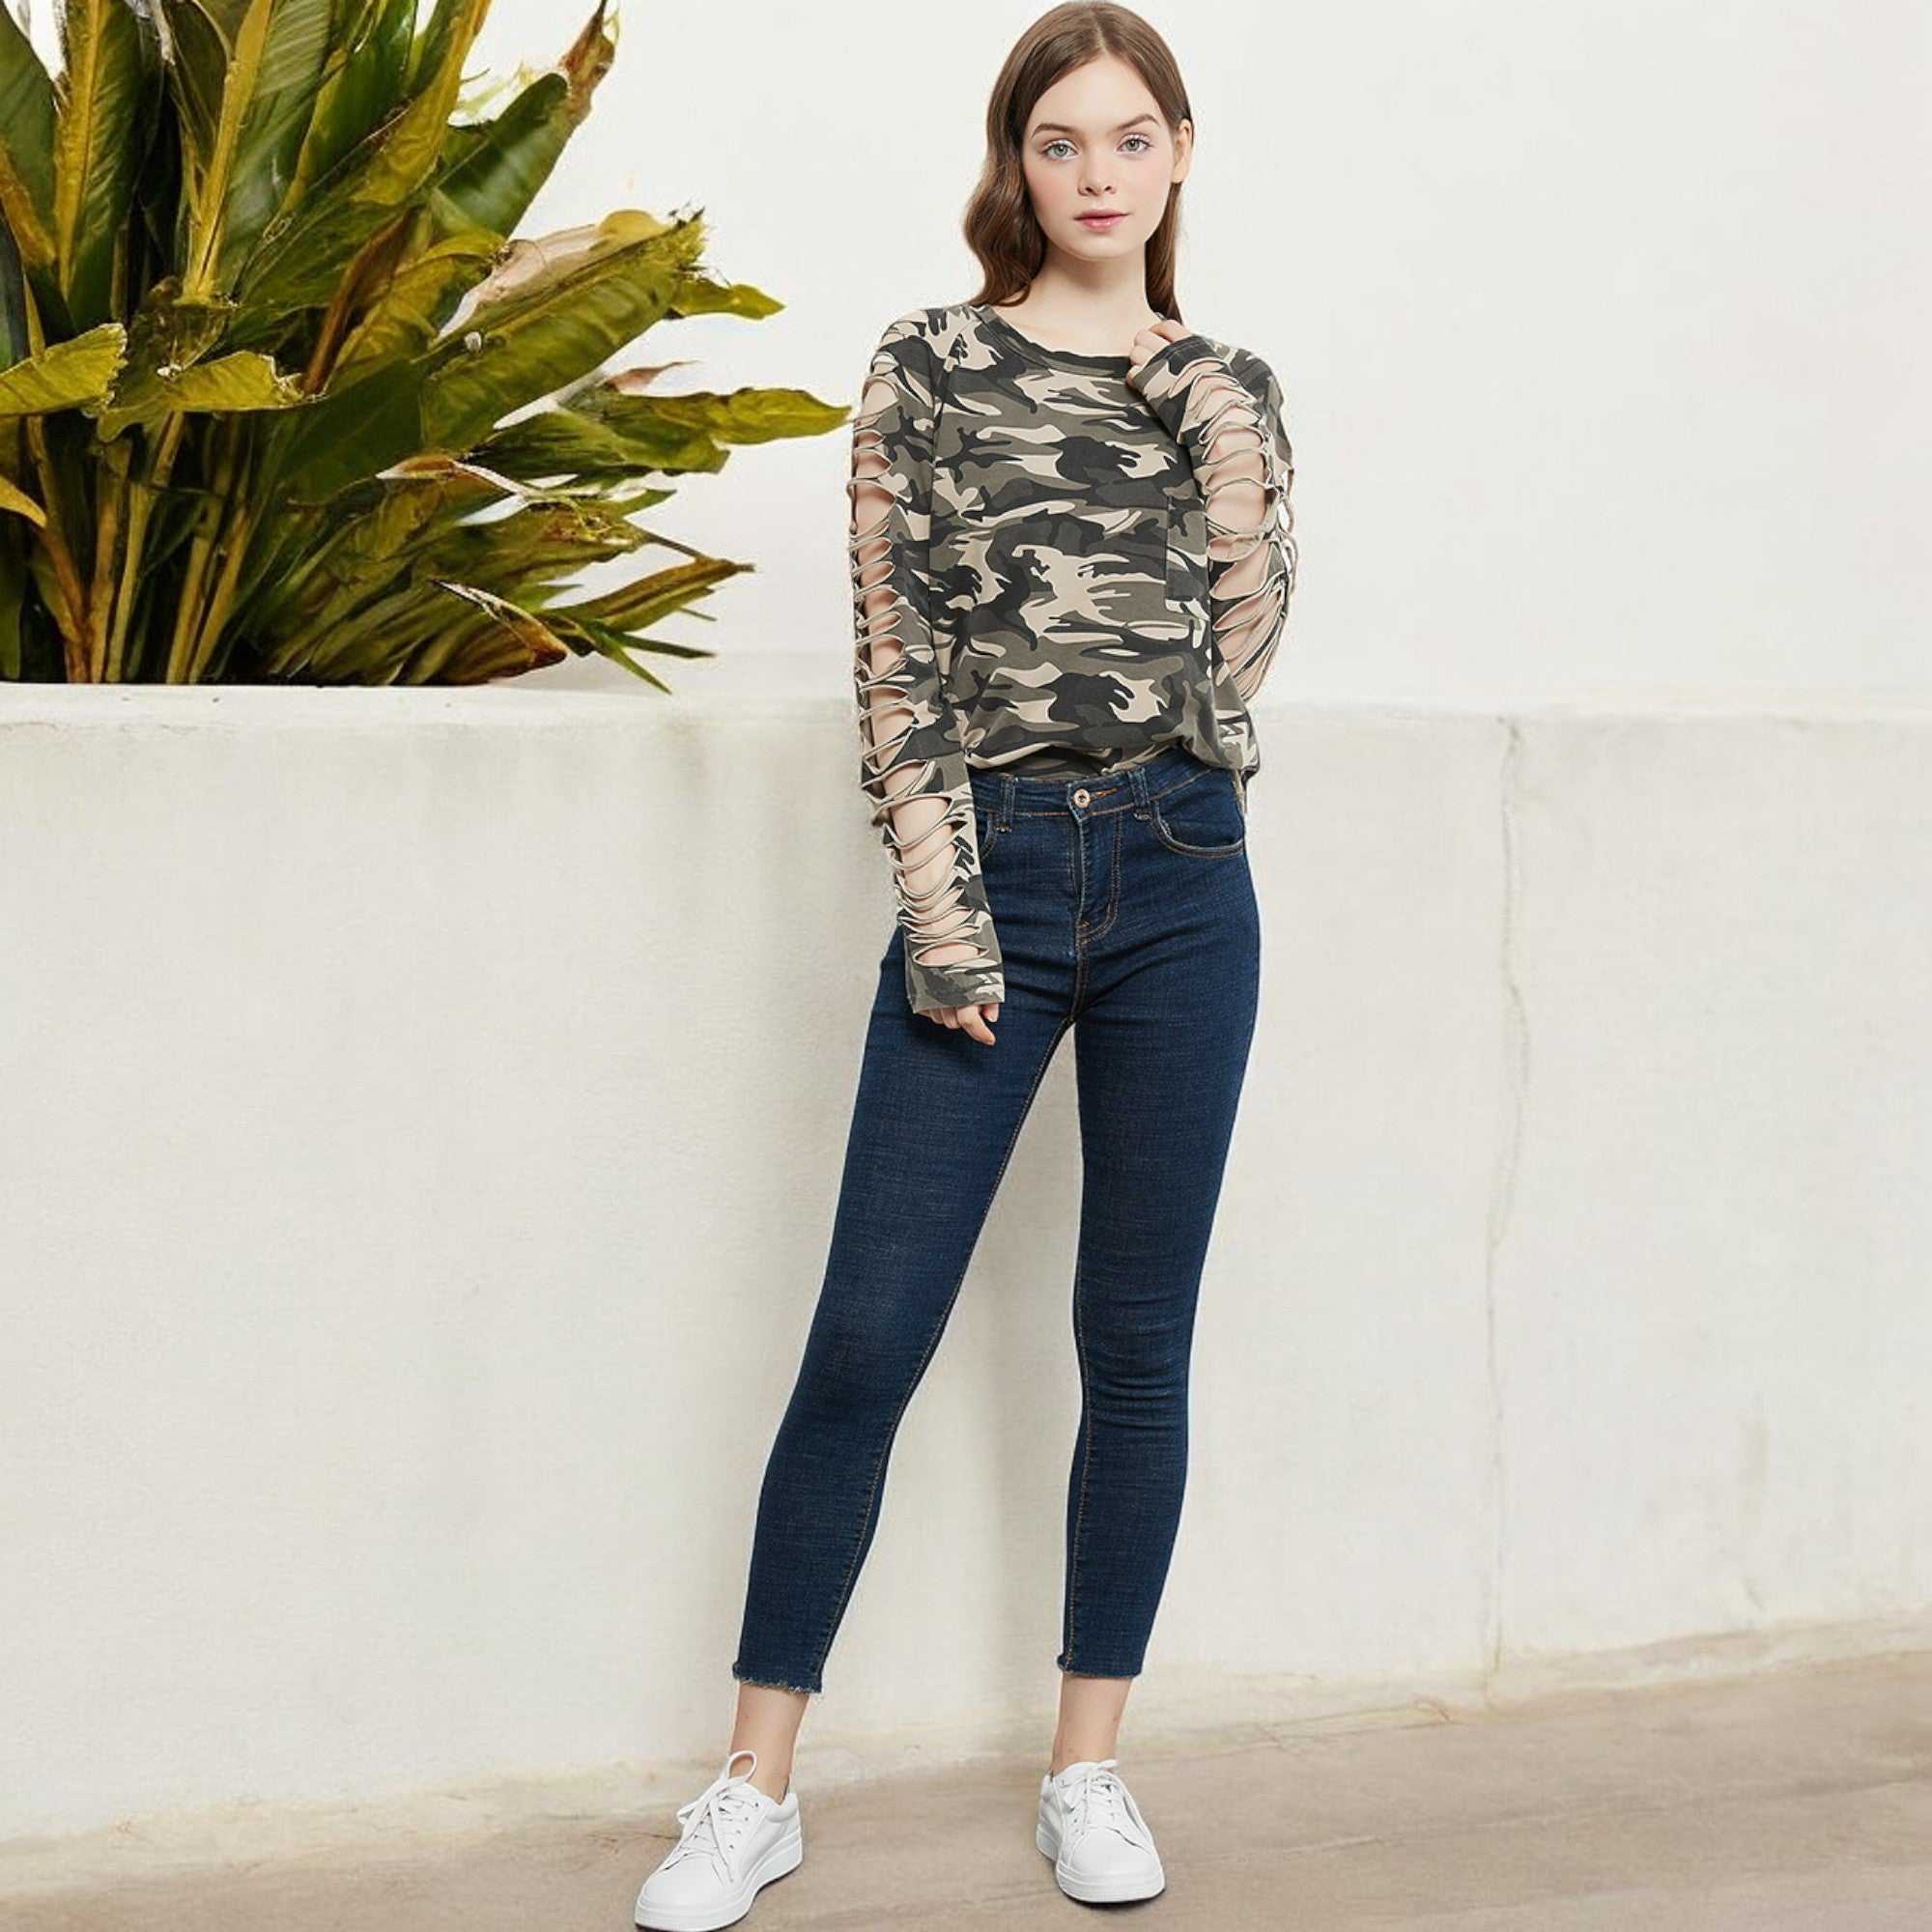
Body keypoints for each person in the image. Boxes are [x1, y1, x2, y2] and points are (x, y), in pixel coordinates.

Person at [636, 4, 1295, 1924]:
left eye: (1133, 138)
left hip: (1184, 871)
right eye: (1060, 141)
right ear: (1015, 162)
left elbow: (1238, 655)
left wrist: (1204, 411)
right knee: (868, 1333)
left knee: (1135, 1342)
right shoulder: (926, 362)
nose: (1098, 174)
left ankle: (1088, 1766)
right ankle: (753, 1785)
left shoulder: (1228, 383)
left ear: (1180, 155)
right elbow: (895, 657)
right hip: (989, 866)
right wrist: (943, 909)